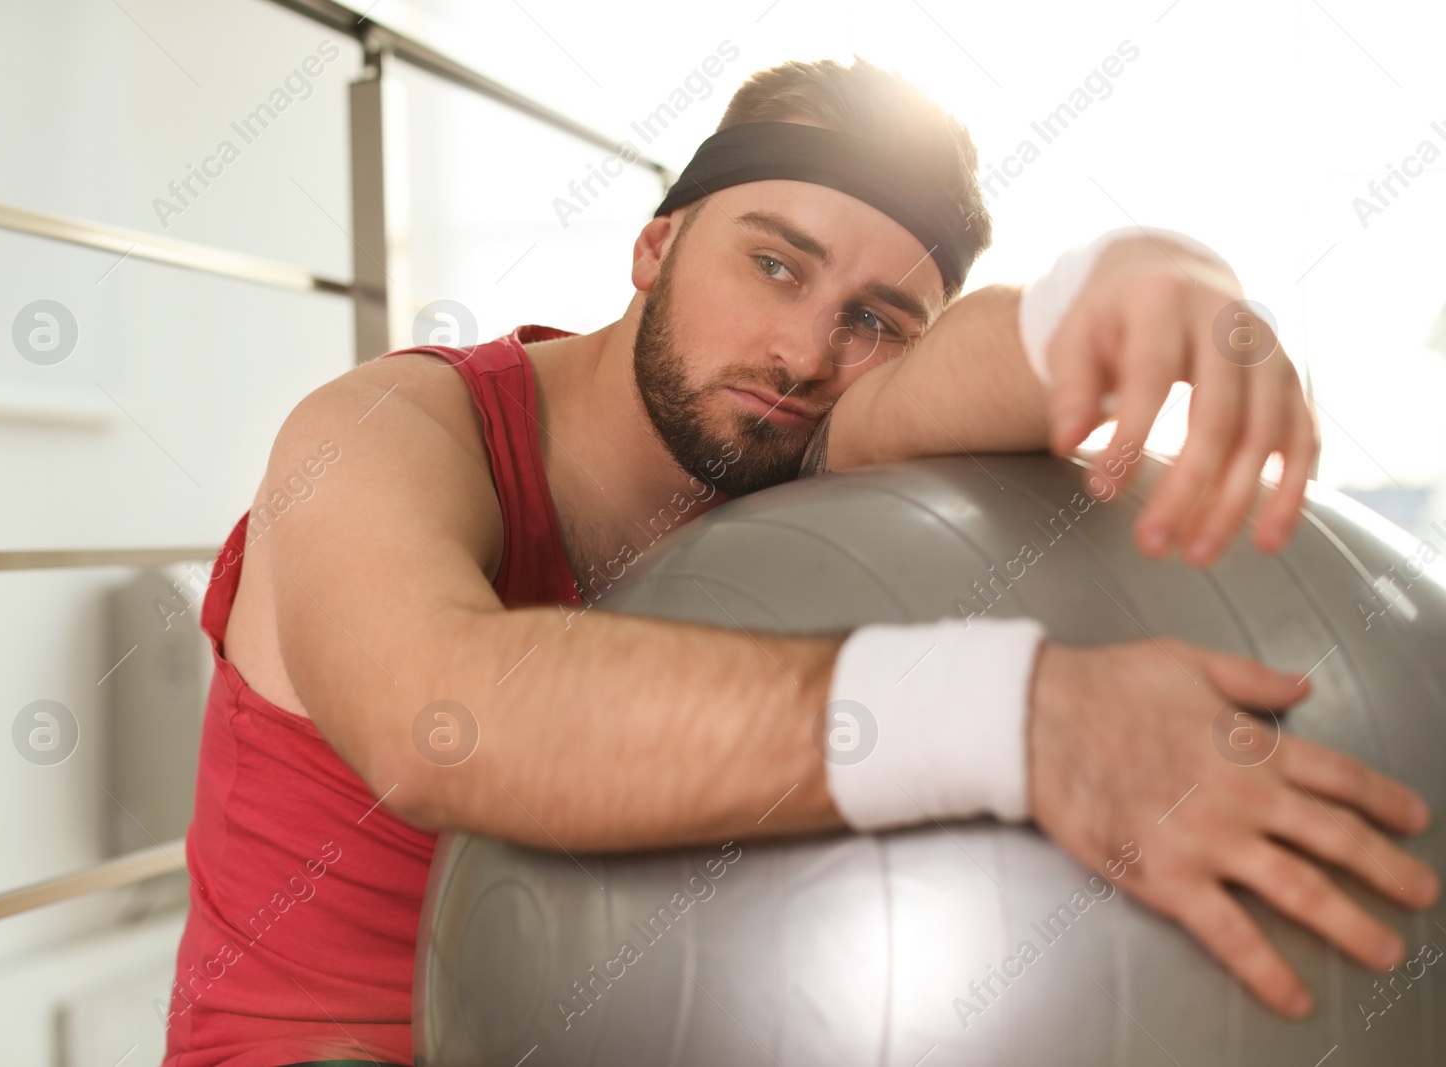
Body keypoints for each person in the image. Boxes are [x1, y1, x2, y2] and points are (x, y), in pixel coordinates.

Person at [159, 56, 1437, 1067]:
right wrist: (1022, 716)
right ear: (656, 247)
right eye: (772, 264)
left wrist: (1134, 279)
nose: (806, 350)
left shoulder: (793, 444)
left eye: (874, 319)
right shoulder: (383, 431)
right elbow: (441, 718)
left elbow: (971, 366)